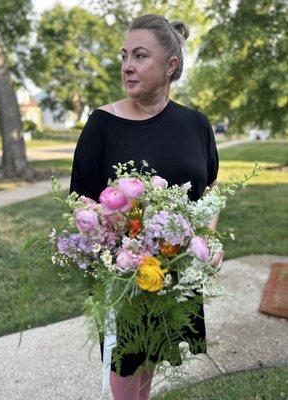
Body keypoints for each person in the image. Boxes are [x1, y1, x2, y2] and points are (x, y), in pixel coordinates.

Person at [70, 14, 219, 400]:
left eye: (139, 56)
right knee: (126, 363)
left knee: (152, 356)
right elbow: (81, 199)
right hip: (124, 280)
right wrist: (119, 245)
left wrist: (205, 241)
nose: (127, 66)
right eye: (124, 56)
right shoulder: (101, 124)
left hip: (175, 274)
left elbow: (212, 187)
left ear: (171, 65)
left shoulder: (196, 124)